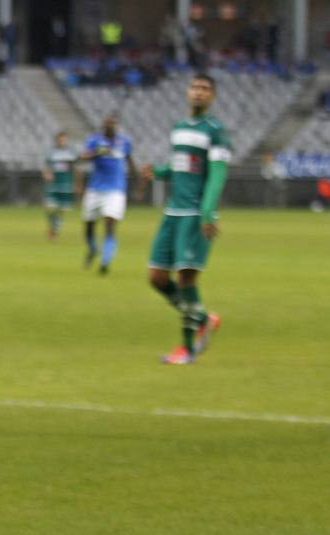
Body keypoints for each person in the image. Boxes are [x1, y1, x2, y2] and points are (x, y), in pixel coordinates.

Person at [141, 73, 230, 365]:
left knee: (186, 278)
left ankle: (187, 349)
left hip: (194, 214)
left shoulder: (216, 132)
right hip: (172, 212)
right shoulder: (179, 129)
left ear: (212, 97)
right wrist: (159, 172)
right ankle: (204, 318)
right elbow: (181, 166)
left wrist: (207, 212)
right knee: (156, 277)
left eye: (205, 89)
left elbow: (217, 175)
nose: (199, 92)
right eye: (195, 87)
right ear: (187, 92)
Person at [79, 113, 135, 275]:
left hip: (116, 190)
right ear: (103, 125)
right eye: (107, 124)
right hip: (95, 189)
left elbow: (130, 160)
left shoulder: (124, 141)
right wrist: (97, 152)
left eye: (113, 124)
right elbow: (82, 157)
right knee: (89, 226)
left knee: (110, 225)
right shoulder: (95, 140)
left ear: (116, 125)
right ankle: (92, 249)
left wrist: (138, 181)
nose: (110, 126)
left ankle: (105, 261)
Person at [42, 130, 76, 239]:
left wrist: (77, 183)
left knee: (62, 208)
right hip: (54, 183)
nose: (62, 141)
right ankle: (53, 225)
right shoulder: (51, 152)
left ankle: (55, 228)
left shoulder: (70, 152)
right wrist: (47, 174)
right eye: (60, 139)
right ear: (57, 140)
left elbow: (75, 168)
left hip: (66, 183)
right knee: (49, 206)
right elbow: (46, 165)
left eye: (64, 139)